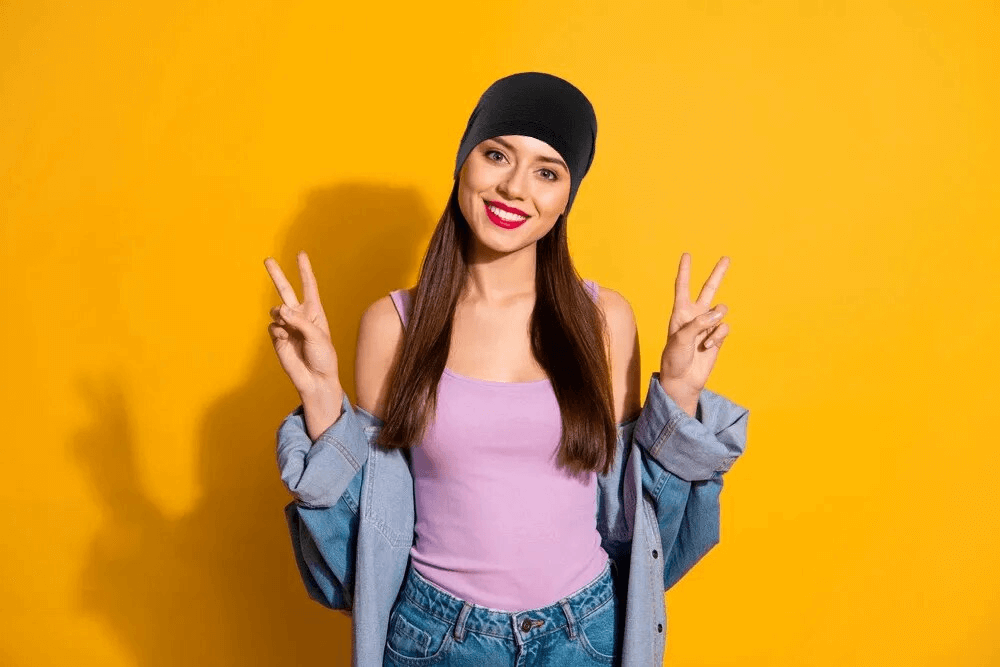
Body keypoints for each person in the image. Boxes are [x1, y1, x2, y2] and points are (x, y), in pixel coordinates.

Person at [264, 72, 750, 667]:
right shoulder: (393, 326)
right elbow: (356, 557)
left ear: (567, 196)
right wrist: (319, 399)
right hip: (437, 635)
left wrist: (678, 392)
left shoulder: (604, 320)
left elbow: (644, 531)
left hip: (584, 632)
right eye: (497, 155)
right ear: (464, 163)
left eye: (548, 171)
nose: (515, 188)